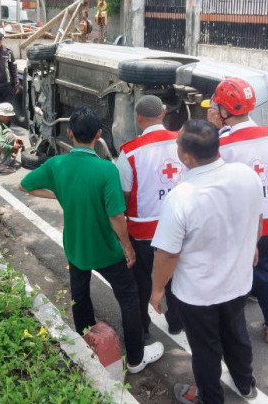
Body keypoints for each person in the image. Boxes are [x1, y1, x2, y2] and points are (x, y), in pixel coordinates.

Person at [19, 107, 164, 374]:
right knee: (129, 298)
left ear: (70, 133)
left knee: (80, 295)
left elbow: (24, 185)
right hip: (107, 250)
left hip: (76, 247)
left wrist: (59, 195)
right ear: (98, 135)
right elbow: (116, 216)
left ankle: (88, 343)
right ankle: (135, 358)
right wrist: (128, 247)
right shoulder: (106, 169)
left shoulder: (56, 164)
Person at [150, 119, 263, 404]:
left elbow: (167, 254)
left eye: (177, 143)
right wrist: (253, 245)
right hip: (238, 283)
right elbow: (257, 216)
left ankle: (210, 399)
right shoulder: (245, 175)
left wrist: (157, 289)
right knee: (237, 335)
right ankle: (245, 384)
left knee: (206, 349)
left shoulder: (182, 197)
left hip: (199, 294)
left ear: (186, 156)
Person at [202, 77, 268, 347]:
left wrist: (213, 130)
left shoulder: (223, 144)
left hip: (238, 222)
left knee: (243, 270)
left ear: (224, 111)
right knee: (264, 268)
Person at [115, 95, 184, 337]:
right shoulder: (182, 141)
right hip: (177, 225)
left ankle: (143, 328)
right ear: (163, 114)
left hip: (143, 230)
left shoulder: (129, 152)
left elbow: (123, 195)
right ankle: (176, 322)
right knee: (175, 275)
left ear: (138, 118)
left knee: (142, 280)